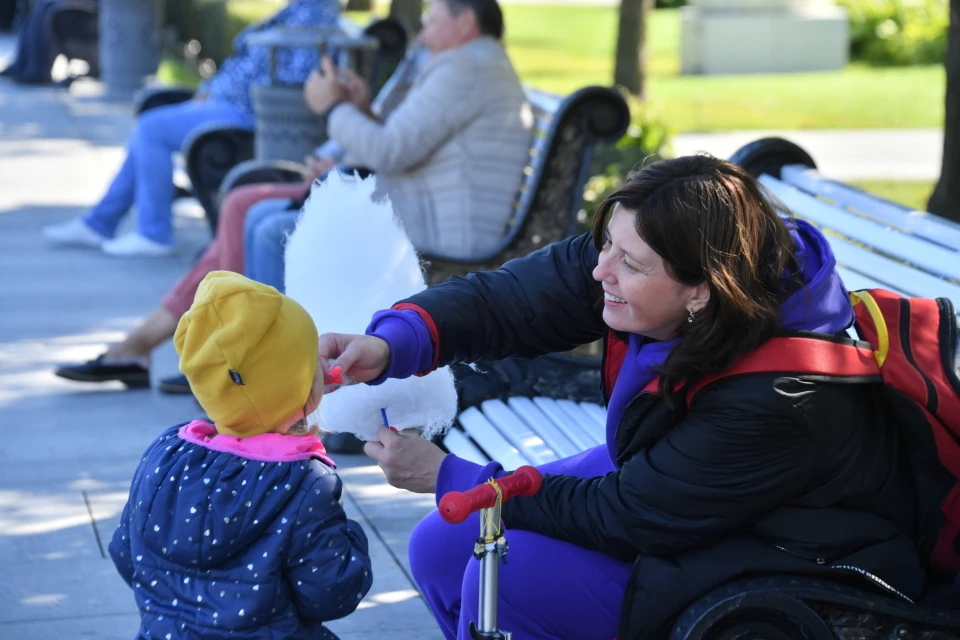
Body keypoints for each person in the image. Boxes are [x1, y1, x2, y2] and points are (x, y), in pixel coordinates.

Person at [316, 155, 925, 640]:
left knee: (505, 578)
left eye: (627, 261)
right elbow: (516, 299)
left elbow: (628, 517)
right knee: (441, 547)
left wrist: (457, 476)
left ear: (701, 293)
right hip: (684, 490)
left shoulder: (783, 395)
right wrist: (395, 343)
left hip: (786, 553)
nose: (600, 269)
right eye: (605, 243)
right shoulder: (666, 249)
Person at [54, 0, 531, 392]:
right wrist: (357, 109)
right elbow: (403, 141)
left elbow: (391, 149)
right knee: (250, 209)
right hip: (406, 204)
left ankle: (266, 381)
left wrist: (334, 110)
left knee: (267, 226)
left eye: (432, 21)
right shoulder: (466, 65)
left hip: (431, 227)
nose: (423, 33)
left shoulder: (465, 69)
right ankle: (228, 362)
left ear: (465, 20)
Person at [108, 271, 373, 639]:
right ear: (307, 388)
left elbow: (126, 554)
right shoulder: (303, 484)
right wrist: (352, 538)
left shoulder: (165, 455)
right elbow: (331, 593)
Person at [40, 0, 339, 258]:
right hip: (227, 103)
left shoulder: (313, 16)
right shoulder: (302, 9)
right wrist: (212, 88)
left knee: (151, 128)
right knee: (150, 124)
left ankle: (151, 233)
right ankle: (100, 223)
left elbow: (292, 83)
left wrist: (224, 91)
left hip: (247, 115)